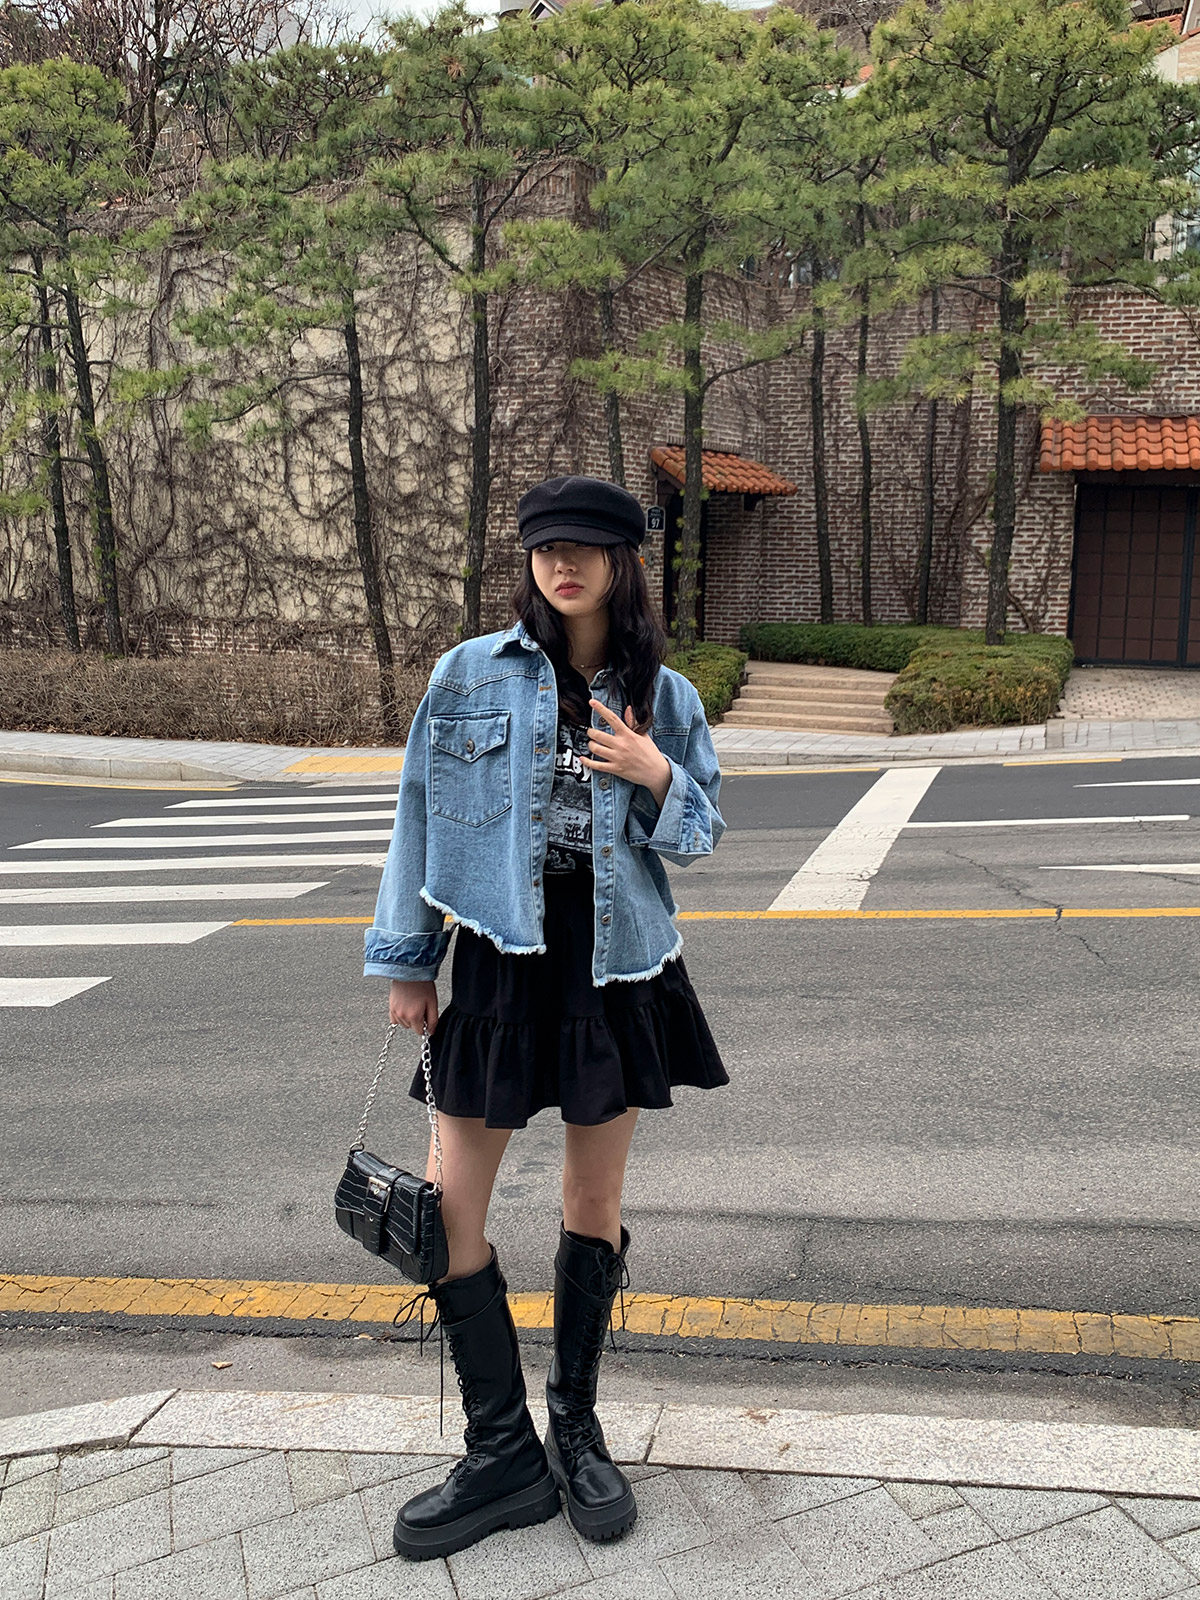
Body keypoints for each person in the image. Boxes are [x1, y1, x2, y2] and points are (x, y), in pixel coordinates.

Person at [364, 473, 729, 1562]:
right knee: (446, 1210)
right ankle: (501, 1450)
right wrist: (409, 959)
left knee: (592, 1197)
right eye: (544, 547)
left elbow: (701, 836)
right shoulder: (469, 673)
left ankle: (574, 1426)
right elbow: (417, 815)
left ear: (623, 562)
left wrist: (655, 771)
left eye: (585, 548)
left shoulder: (665, 693)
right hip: (496, 956)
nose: (562, 565)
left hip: (617, 963)